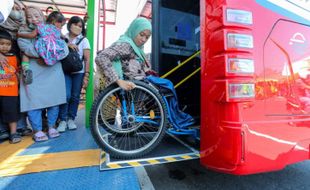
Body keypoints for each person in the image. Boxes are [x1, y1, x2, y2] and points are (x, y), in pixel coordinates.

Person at [95, 17, 194, 129]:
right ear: (134, 30)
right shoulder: (126, 45)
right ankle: (173, 119)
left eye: (147, 37)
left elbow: (130, 65)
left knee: (165, 85)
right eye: (141, 34)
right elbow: (101, 57)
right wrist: (118, 80)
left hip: (138, 81)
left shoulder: (136, 48)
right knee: (168, 86)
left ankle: (168, 118)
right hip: (135, 83)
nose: (143, 39)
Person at [17, 6, 67, 142]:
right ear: (25, 18)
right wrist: (48, 53)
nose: (34, 19)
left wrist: (46, 55)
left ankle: (51, 126)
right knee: (33, 102)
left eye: (37, 15)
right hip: (34, 73)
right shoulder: (23, 33)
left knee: (54, 101)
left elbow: (64, 50)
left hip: (52, 72)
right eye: (29, 16)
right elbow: (27, 48)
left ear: (43, 16)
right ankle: (37, 130)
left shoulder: (52, 29)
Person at [0, 0, 32, 141]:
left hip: (17, 72)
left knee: (17, 98)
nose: (17, 10)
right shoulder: (2, 25)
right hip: (4, 77)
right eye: (13, 7)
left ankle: (20, 127)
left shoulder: (25, 28)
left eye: (19, 7)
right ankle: (3, 130)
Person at [57, 16, 90, 132]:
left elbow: (87, 59)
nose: (77, 27)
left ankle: (71, 118)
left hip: (79, 72)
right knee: (65, 95)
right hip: (64, 71)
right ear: (70, 25)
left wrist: (86, 75)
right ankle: (62, 119)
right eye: (75, 24)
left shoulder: (84, 40)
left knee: (75, 96)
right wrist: (66, 44)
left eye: (80, 26)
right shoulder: (62, 38)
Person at [17, 11, 67, 84]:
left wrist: (20, 34)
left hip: (42, 47)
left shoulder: (41, 26)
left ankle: (26, 69)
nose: (61, 27)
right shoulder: (58, 30)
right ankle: (45, 62)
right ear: (55, 22)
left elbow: (31, 35)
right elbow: (63, 38)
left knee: (25, 54)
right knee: (53, 56)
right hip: (54, 49)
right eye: (61, 25)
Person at [0, 29, 21, 143]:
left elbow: (17, 71)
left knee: (11, 113)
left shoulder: (14, 57)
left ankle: (13, 133)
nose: (5, 47)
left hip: (11, 92)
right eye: (2, 44)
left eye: (8, 44)